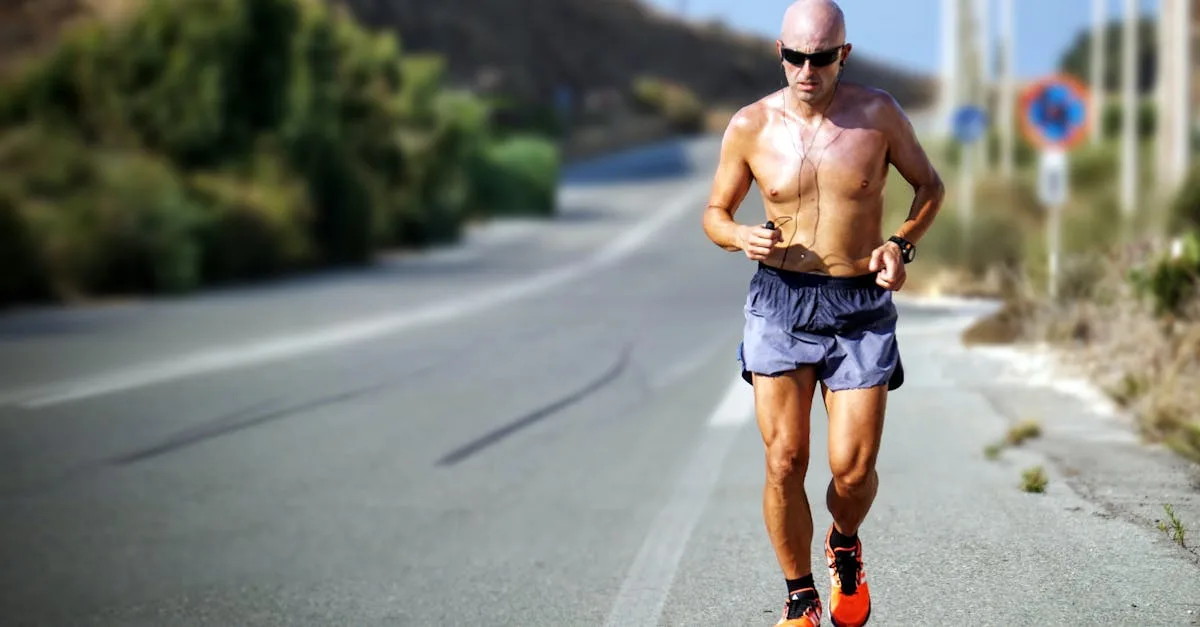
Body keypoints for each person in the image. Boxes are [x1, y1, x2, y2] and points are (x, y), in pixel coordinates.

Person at [700, 1, 945, 625]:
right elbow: (715, 214)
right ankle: (800, 597)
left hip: (859, 304)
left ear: (844, 55)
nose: (806, 71)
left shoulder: (878, 114)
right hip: (780, 302)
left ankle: (844, 542)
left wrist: (900, 244)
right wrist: (739, 236)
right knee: (785, 460)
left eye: (821, 58)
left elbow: (930, 186)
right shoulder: (750, 125)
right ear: (779, 53)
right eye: (795, 57)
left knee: (853, 472)